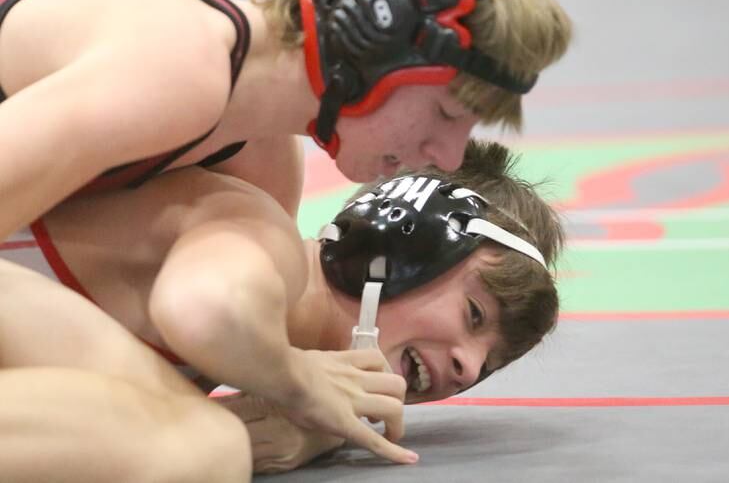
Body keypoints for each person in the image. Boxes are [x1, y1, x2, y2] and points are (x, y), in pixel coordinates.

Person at [0, 0, 572, 241]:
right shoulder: (179, 65)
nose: (447, 157)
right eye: (448, 112)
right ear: (373, 36)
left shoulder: (261, 164)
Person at [0, 140, 563, 480]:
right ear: (400, 246)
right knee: (205, 449)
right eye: (472, 315)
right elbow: (209, 310)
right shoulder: (261, 238)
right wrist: (291, 388)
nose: (465, 371)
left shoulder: (246, 366)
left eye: (486, 366)